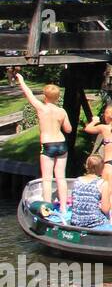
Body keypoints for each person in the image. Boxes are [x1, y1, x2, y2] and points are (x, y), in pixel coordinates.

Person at [11, 70, 73, 212]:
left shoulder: (41, 108)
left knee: (47, 178)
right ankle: (63, 207)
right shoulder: (62, 111)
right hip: (61, 144)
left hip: (48, 145)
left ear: (45, 96)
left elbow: (29, 94)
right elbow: (68, 129)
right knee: (61, 177)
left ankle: (48, 207)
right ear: (58, 98)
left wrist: (21, 80)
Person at [68, 155, 112, 228]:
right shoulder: (103, 183)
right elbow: (105, 209)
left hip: (76, 221)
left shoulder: (77, 181)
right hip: (94, 223)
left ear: (87, 166)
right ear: (102, 168)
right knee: (111, 212)